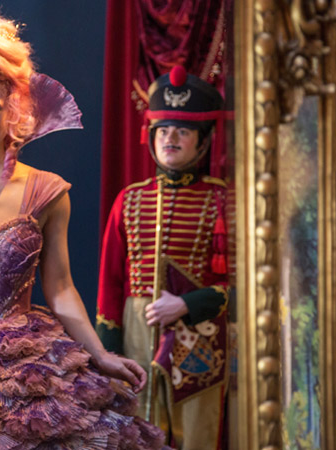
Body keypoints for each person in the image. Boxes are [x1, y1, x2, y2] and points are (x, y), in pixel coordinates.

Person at [0, 2, 166, 449]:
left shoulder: (48, 191)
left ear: (14, 109)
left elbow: (60, 289)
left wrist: (100, 354)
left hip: (28, 365)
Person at [96, 65, 229, 449]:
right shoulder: (129, 200)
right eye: (163, 130)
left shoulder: (223, 200)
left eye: (183, 131)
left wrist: (188, 304)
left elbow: (241, 284)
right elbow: (110, 284)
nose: (170, 138)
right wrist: (109, 353)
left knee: (197, 434)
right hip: (137, 329)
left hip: (201, 336)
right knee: (139, 431)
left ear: (202, 141)